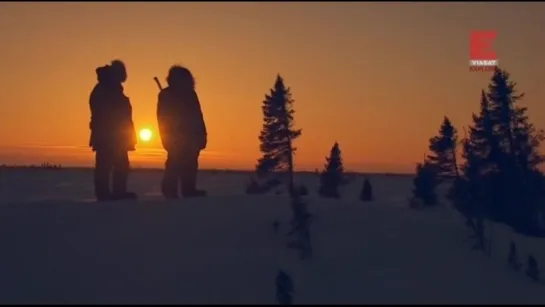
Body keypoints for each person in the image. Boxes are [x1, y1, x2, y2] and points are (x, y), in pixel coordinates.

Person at [89, 60, 138, 201]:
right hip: (107, 135)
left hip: (118, 136)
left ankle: (119, 192)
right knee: (105, 164)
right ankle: (103, 194)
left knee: (121, 164)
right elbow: (101, 112)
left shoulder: (114, 89)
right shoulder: (104, 89)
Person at [157, 65, 207, 199]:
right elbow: (163, 118)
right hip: (175, 135)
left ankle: (189, 189)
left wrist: (202, 134)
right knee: (174, 161)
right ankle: (169, 189)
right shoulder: (166, 95)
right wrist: (168, 136)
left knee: (191, 162)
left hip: (192, 135)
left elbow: (198, 115)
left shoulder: (191, 94)